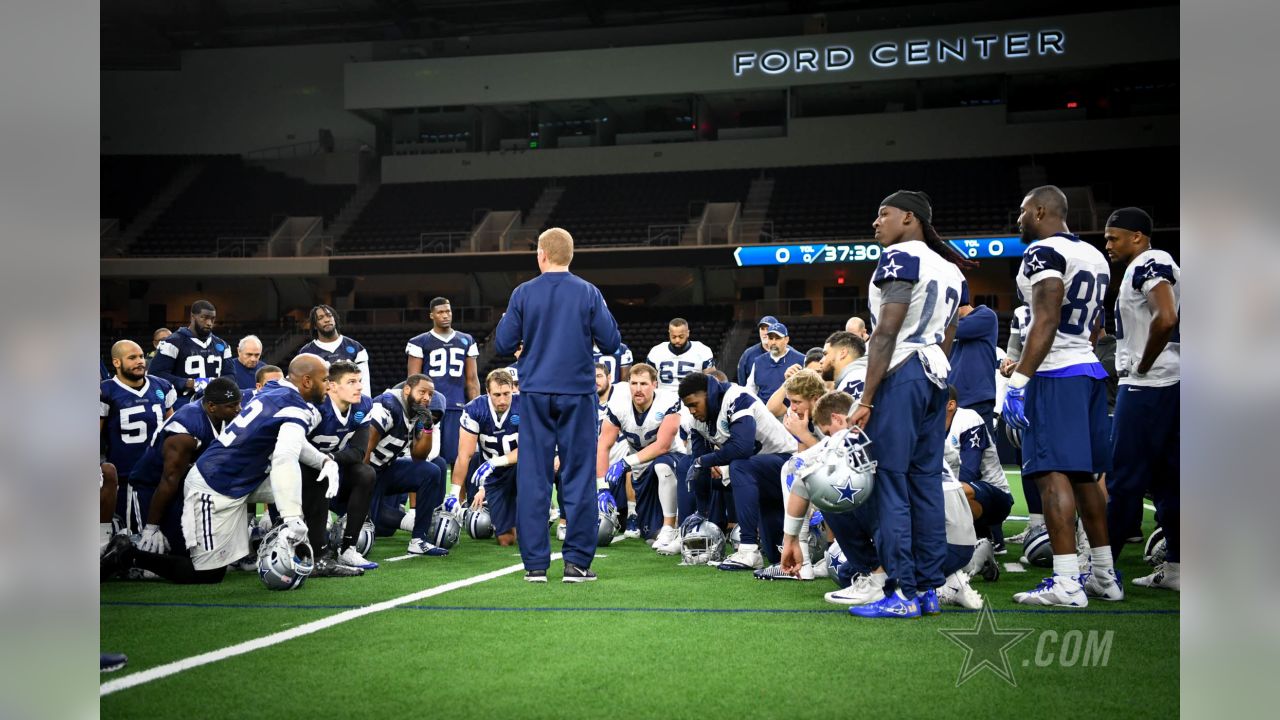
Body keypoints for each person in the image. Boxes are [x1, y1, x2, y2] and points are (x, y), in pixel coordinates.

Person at [846, 189, 971, 619]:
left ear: (909, 218)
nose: (876, 222)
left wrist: (866, 396)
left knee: (892, 484)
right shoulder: (953, 270)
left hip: (903, 371)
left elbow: (885, 332)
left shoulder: (900, 258)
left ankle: (902, 591)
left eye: (884, 214)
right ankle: (930, 588)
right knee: (924, 483)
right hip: (936, 373)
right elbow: (949, 336)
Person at [1002, 185, 1121, 607]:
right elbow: (1095, 325)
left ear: (1039, 210)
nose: (1018, 219)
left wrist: (1019, 381)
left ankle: (1067, 581)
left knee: (1051, 473)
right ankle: (1105, 574)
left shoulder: (1042, 253)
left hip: (1056, 375)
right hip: (1088, 367)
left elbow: (1047, 317)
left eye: (1021, 212)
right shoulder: (1093, 254)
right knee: (1086, 475)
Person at [123, 355, 336, 585]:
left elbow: (292, 442)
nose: (329, 385)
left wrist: (324, 461)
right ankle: (129, 555)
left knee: (316, 476)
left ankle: (317, 554)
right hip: (215, 488)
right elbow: (285, 457)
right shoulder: (295, 407)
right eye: (325, 379)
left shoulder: (275, 388)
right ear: (306, 381)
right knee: (207, 574)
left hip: (241, 480)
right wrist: (291, 516)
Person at [493, 227, 621, 583]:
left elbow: (503, 342)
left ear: (541, 255)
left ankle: (535, 565)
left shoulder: (523, 293)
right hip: (578, 394)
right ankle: (577, 563)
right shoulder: (589, 292)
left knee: (533, 476)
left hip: (534, 394)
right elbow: (612, 341)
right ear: (570, 255)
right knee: (578, 477)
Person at [1103, 207, 1180, 590]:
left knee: (1124, 478)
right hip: (1175, 383)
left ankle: (1101, 569)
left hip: (1149, 385)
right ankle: (1178, 569)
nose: (1108, 244)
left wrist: (1143, 364)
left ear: (1138, 236)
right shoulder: (1155, 263)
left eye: (1114, 237)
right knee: (1170, 480)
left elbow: (1166, 317)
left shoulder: (1151, 260)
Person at [679, 371, 797, 572]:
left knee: (738, 465)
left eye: (693, 404)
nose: (691, 411)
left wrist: (704, 460)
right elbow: (701, 465)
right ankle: (699, 521)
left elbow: (742, 448)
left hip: (787, 468)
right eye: (687, 406)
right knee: (775, 553)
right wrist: (701, 509)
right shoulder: (696, 421)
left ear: (707, 394)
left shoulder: (736, 397)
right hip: (760, 476)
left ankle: (749, 548)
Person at [130, 377, 243, 558]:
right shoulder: (186, 432)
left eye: (238, 404)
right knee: (153, 549)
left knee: (188, 551)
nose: (238, 410)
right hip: (153, 486)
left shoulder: (218, 412)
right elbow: (169, 480)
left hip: (184, 487)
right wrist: (152, 526)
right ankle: (125, 551)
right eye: (232, 406)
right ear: (212, 406)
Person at [597, 362, 689, 554]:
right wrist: (602, 487)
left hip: (673, 460)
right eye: (634, 383)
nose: (638, 389)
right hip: (641, 470)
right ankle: (661, 527)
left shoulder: (667, 401)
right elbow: (603, 446)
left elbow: (663, 445)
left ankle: (670, 527)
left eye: (644, 384)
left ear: (655, 384)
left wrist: (626, 462)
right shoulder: (619, 405)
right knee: (649, 534)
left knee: (662, 466)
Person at [306, 359, 378, 572]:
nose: (359, 387)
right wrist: (320, 462)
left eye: (359, 381)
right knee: (319, 473)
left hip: (334, 467)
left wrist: (330, 459)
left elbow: (358, 451)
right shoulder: (316, 406)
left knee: (366, 473)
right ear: (331, 386)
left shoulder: (363, 405)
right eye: (352, 382)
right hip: (302, 470)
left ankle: (348, 548)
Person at [365, 374, 449, 556]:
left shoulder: (414, 411)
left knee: (431, 471)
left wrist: (427, 427)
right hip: (364, 472)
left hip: (384, 470)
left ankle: (419, 539)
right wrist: (360, 485)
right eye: (422, 392)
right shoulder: (387, 405)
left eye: (430, 394)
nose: (427, 397)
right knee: (372, 520)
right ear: (407, 390)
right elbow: (366, 447)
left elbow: (419, 456)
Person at [100, 340, 176, 530]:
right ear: (117, 363)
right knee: (131, 534)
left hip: (160, 474)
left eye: (141, 356)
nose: (140, 361)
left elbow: (173, 429)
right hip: (126, 477)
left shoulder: (162, 386)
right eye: (132, 358)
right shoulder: (105, 391)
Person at [406, 297, 481, 467]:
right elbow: (413, 380)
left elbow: (472, 379)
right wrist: (416, 410)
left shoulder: (466, 340)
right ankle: (426, 494)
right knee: (424, 458)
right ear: (431, 315)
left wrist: (476, 407)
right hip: (429, 408)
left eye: (448, 311)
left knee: (460, 459)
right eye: (440, 312)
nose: (445, 315)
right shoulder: (419, 342)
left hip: (457, 406)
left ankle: (458, 495)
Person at [455, 370, 522, 546]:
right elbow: (465, 455)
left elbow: (528, 450)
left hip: (520, 469)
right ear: (487, 392)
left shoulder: (524, 405)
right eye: (497, 395)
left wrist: (494, 462)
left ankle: (538, 513)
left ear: (513, 390)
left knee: (529, 467)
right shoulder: (475, 409)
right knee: (505, 539)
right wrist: (454, 494)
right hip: (494, 476)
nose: (502, 400)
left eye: (506, 394)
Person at [943, 385, 1014, 545]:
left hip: (995, 496)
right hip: (954, 490)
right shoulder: (926, 426)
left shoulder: (968, 419)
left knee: (955, 490)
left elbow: (969, 473)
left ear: (951, 405)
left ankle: (980, 536)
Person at [149, 300, 235, 408]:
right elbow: (156, 374)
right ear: (192, 317)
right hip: (182, 406)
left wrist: (214, 383)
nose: (209, 323)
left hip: (214, 405)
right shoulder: (173, 342)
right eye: (204, 317)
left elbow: (231, 376)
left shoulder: (222, 345)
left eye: (212, 319)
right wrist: (189, 383)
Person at [947, 288, 999, 427]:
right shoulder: (948, 329)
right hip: (953, 401)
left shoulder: (986, 315)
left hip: (977, 399)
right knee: (951, 448)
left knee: (981, 448)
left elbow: (957, 330)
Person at [299, 304, 372, 385]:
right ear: (315, 325)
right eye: (320, 318)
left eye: (329, 316)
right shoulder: (305, 353)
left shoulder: (357, 348)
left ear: (335, 319)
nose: (327, 320)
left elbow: (364, 384)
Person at [647, 318, 716, 393]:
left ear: (688, 333)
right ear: (669, 333)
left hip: (692, 399)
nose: (677, 340)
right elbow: (647, 378)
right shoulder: (656, 351)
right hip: (663, 399)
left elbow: (712, 380)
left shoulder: (702, 350)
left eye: (681, 336)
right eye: (673, 337)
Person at [744, 321, 806, 402]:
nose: (773, 342)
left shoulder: (801, 360)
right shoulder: (758, 362)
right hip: (763, 412)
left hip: (789, 412)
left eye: (777, 338)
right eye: (770, 338)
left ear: (786, 340)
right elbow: (750, 390)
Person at [821, 331, 868, 399]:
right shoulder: (861, 376)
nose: (821, 361)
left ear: (842, 353)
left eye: (825, 354)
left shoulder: (853, 381)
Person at [736, 315, 777, 384]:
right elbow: (742, 383)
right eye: (762, 329)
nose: (765, 333)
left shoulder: (789, 353)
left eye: (768, 329)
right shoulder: (748, 354)